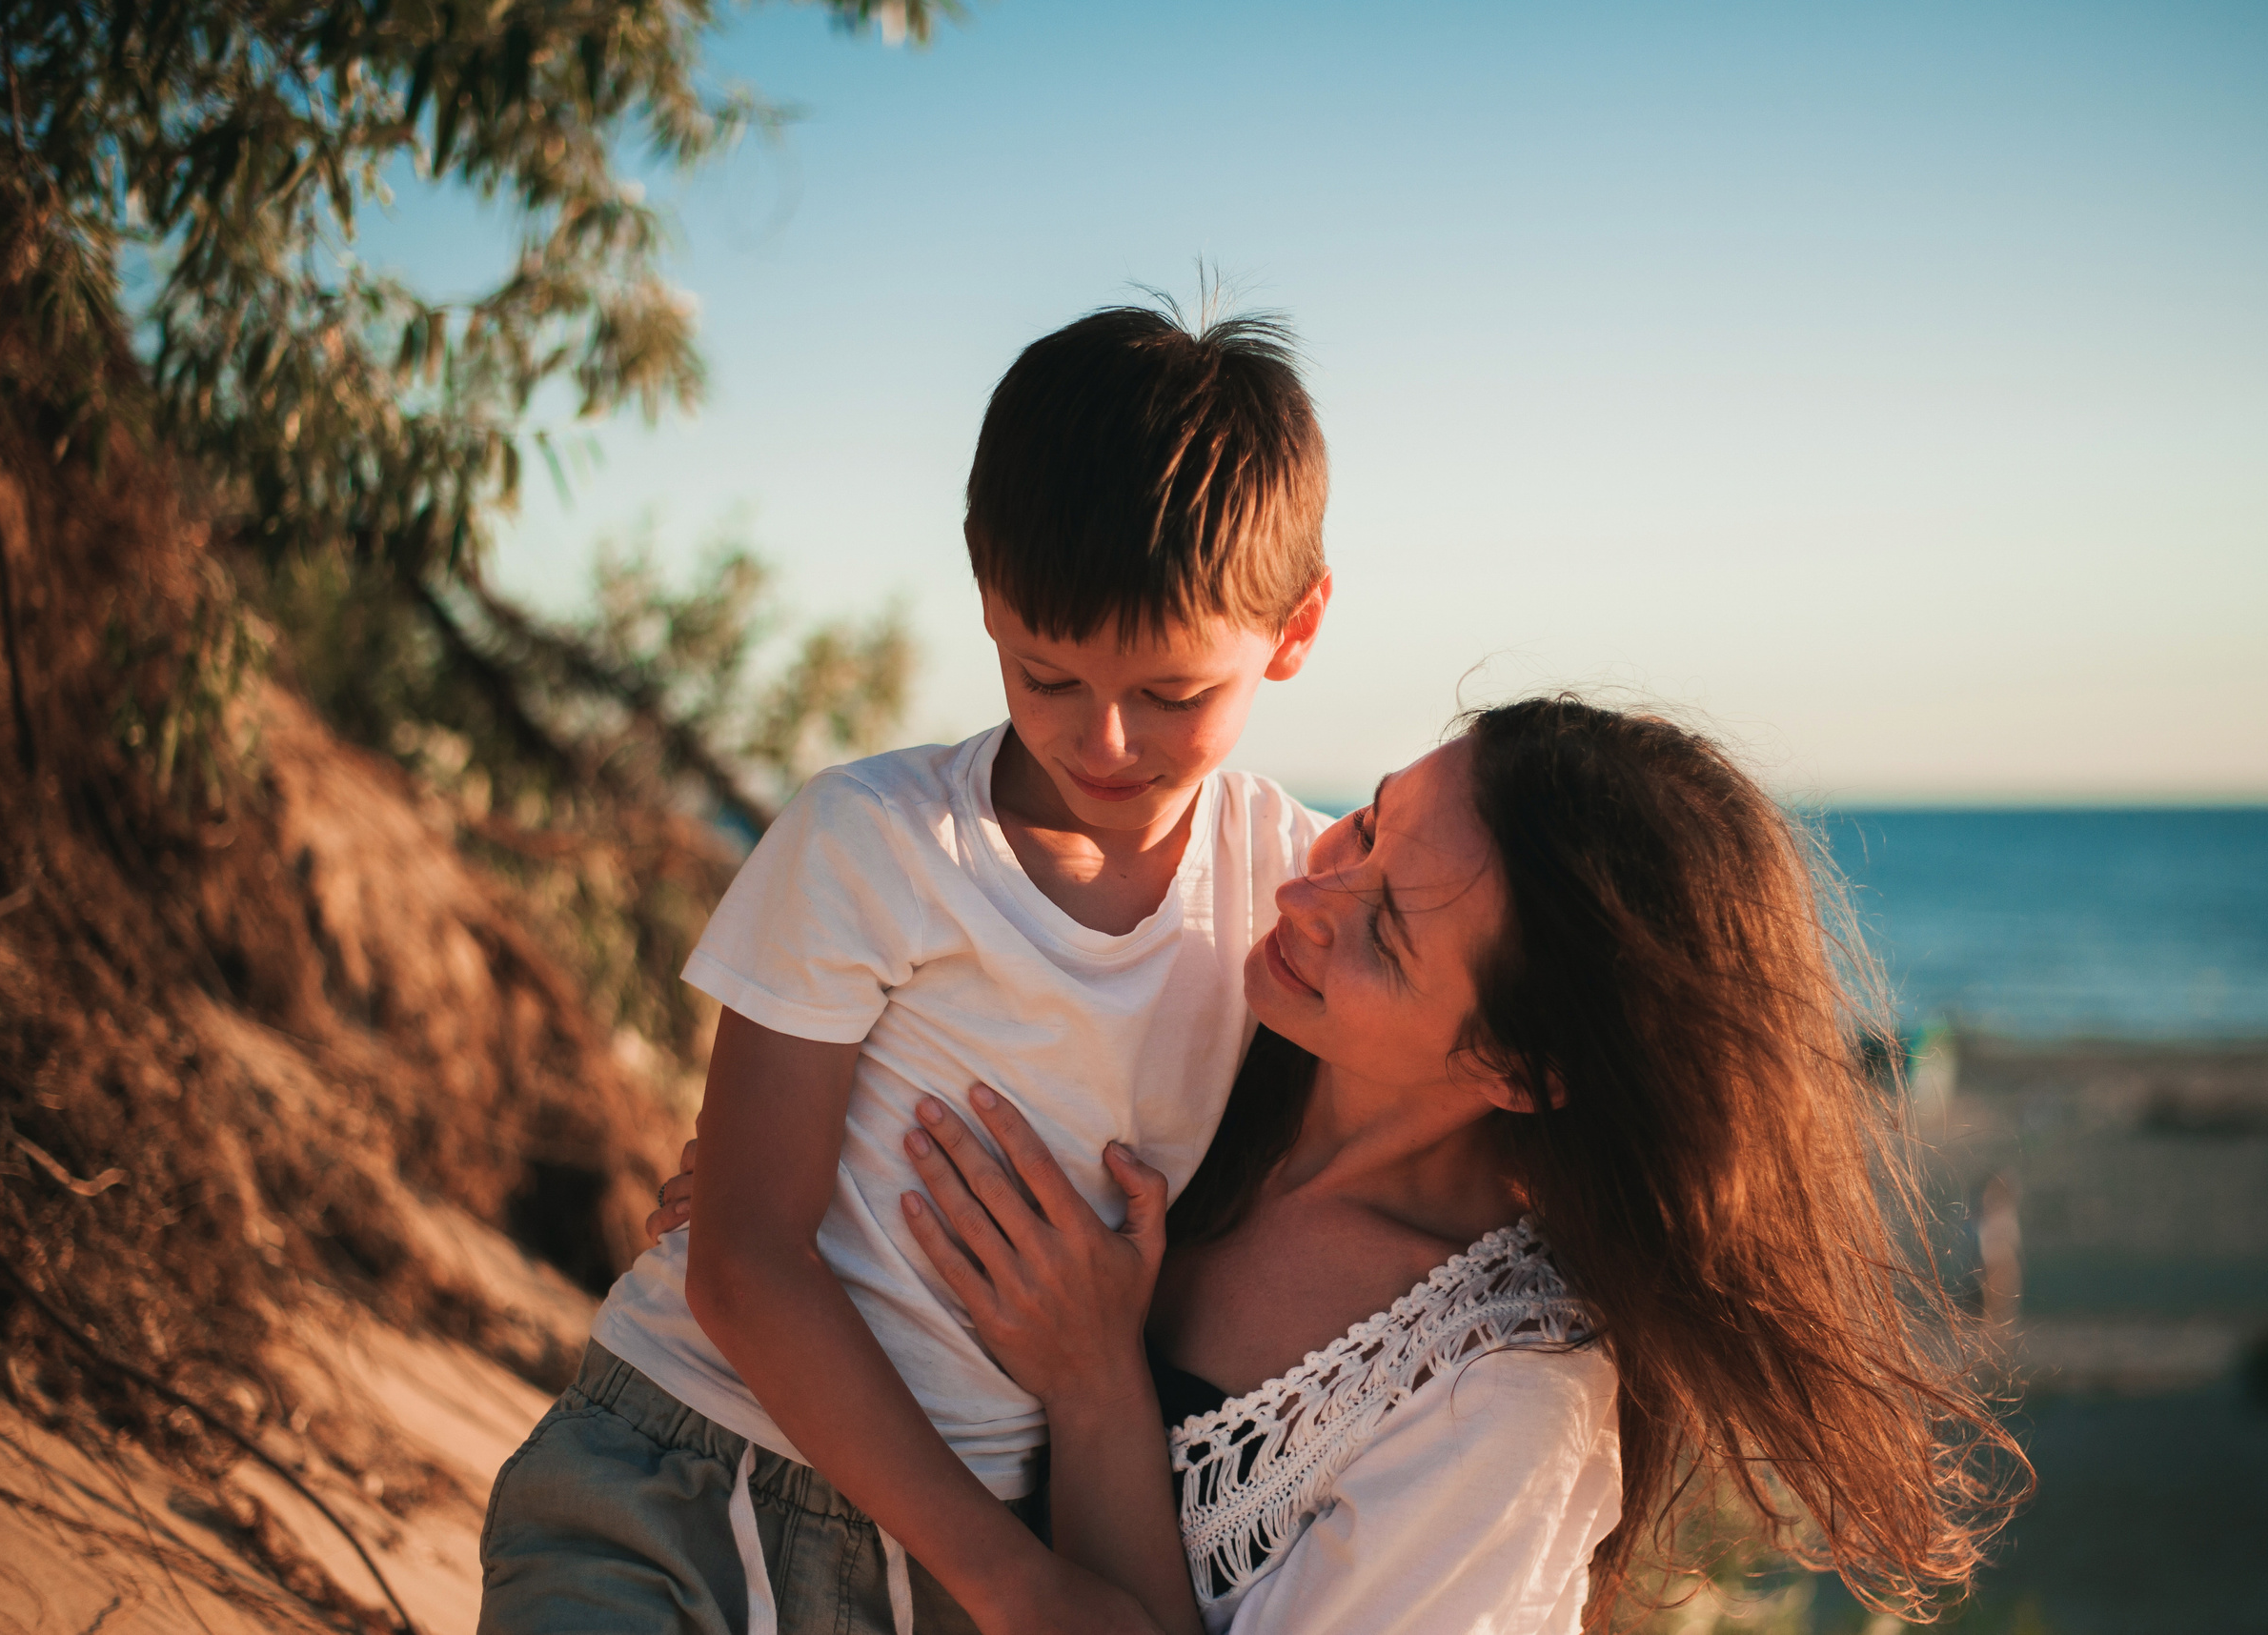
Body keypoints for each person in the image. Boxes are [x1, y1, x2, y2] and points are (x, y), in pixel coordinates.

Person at [657, 696, 2027, 1633]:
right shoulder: (1205, 1012)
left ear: (1520, 1071)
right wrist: (802, 1193)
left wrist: (1096, 1387)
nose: (1304, 901)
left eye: (1386, 935)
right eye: (1367, 825)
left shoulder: (1498, 1410)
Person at [477, 303, 1335, 1635]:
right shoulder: (871, 842)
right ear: (986, 591)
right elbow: (743, 1262)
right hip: (685, 1471)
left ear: (1295, 625)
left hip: (959, 1560)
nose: (1105, 741)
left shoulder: (1297, 899)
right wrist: (1019, 1581)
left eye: (1173, 694)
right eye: (1045, 674)